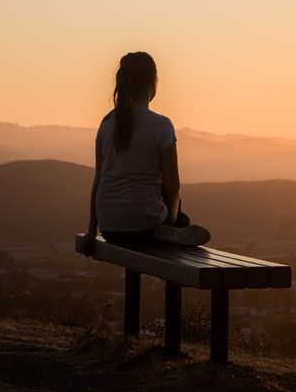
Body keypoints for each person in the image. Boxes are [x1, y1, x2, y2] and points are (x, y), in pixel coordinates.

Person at [80, 51, 210, 253]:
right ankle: (170, 229)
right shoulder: (162, 126)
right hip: (146, 226)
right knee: (177, 203)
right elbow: (172, 187)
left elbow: (98, 181)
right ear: (153, 82)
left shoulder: (106, 124)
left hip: (109, 228)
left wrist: (91, 231)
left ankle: (171, 227)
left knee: (170, 210)